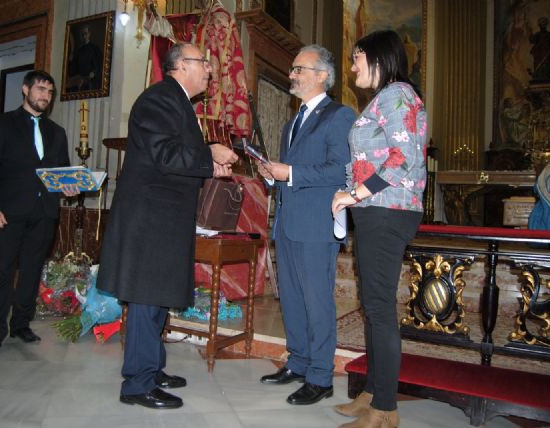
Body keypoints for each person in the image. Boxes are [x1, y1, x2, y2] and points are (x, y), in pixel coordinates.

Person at [96, 43, 238, 410]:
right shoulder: (159, 99)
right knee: (146, 297)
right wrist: (209, 152)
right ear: (181, 66)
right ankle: (137, 383)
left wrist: (209, 161)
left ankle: (152, 369)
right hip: (150, 218)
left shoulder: (178, 102)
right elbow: (165, 155)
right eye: (203, 62)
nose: (209, 69)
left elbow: (177, 156)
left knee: (157, 297)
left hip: (164, 217)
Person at [331, 30, 427, 428]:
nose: (352, 66)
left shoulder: (397, 94)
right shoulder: (384, 99)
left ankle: (385, 409)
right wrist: (348, 191)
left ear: (378, 57)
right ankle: (372, 392)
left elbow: (404, 157)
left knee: (380, 309)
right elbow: (368, 159)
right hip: (377, 209)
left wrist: (355, 193)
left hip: (388, 210)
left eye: (357, 57)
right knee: (373, 306)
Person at [256, 44, 355, 405]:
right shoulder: (291, 123)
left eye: (299, 69)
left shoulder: (339, 116)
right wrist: (274, 175)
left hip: (316, 224)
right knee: (292, 299)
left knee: (317, 302)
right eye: (293, 69)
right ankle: (298, 362)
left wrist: (291, 172)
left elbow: (340, 169)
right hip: (287, 223)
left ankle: (320, 376)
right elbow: (292, 174)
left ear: (322, 75)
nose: (292, 75)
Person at [0, 70, 79, 356]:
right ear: (25, 89)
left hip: (44, 212)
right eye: (40, 89)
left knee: (32, 271)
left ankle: (21, 324)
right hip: (8, 211)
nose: (46, 96)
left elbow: (60, 173)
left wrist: (69, 187)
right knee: (2, 271)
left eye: (50, 92)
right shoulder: (2, 124)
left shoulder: (57, 132)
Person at [67, 25, 103, 91]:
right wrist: (71, 61)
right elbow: (75, 67)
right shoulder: (79, 50)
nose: (84, 36)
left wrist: (94, 72)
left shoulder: (95, 48)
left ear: (89, 34)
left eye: (86, 33)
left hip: (91, 81)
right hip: (80, 80)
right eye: (83, 34)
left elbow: (99, 64)